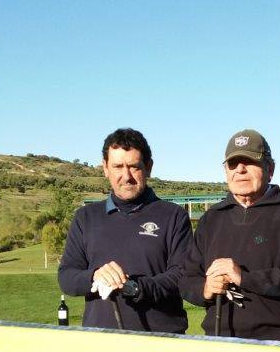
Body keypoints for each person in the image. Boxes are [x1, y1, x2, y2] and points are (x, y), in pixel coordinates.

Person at [179, 129, 280, 341]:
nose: (240, 169)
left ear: (270, 168)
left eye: (249, 161)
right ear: (226, 171)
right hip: (218, 341)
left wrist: (244, 278)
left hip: (277, 342)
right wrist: (205, 289)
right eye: (233, 164)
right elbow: (187, 279)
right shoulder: (211, 218)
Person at [58, 128, 192, 332]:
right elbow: (66, 277)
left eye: (134, 167)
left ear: (148, 167)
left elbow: (182, 275)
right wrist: (94, 276)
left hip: (162, 341)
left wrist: (136, 287)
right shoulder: (86, 217)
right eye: (118, 166)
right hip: (100, 342)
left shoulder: (173, 216)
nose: (126, 176)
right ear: (105, 168)